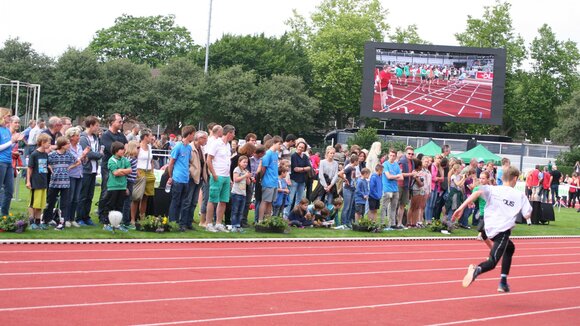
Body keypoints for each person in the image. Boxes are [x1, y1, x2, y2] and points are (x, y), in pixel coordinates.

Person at [454, 166, 532, 293]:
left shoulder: (492, 189)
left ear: (502, 178)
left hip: (488, 227)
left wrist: (461, 207)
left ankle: (503, 281)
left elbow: (477, 192)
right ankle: (477, 269)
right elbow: (527, 215)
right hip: (502, 231)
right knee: (492, 261)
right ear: (516, 179)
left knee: (510, 248)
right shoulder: (520, 195)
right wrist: (522, 213)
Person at [44, 137, 84, 230]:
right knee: (50, 201)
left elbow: (78, 161)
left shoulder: (69, 155)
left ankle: (62, 222)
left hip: (65, 182)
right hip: (54, 182)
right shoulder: (52, 155)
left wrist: (70, 167)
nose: (69, 145)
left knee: (64, 203)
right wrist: (50, 168)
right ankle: (46, 219)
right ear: (62, 145)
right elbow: (46, 162)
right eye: (67, 144)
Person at [97, 114, 127, 223]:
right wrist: (123, 151)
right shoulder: (106, 136)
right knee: (107, 191)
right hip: (108, 167)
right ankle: (102, 215)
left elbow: (126, 147)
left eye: (121, 121)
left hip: (120, 168)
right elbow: (113, 150)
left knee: (118, 192)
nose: (121, 123)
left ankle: (114, 216)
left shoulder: (121, 135)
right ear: (112, 122)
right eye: (119, 121)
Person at [205, 125, 236, 232]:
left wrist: (230, 178)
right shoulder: (216, 143)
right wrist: (213, 173)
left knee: (223, 201)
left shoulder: (227, 145)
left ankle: (218, 223)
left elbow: (227, 161)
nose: (234, 135)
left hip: (226, 176)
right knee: (212, 199)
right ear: (229, 133)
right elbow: (209, 159)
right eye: (233, 133)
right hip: (217, 175)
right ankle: (208, 223)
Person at [167, 125, 195, 232]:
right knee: (175, 201)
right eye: (193, 135)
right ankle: (173, 222)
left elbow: (187, 162)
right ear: (189, 135)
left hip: (185, 179)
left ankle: (181, 223)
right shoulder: (178, 146)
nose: (193, 137)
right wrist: (171, 176)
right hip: (178, 178)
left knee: (184, 202)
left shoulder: (188, 147)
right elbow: (171, 163)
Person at [77, 116, 103, 226]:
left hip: (93, 170)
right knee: (82, 195)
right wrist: (99, 155)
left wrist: (97, 154)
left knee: (90, 195)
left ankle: (86, 216)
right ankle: (79, 217)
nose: (98, 127)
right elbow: (88, 153)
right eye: (96, 125)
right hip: (85, 170)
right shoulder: (83, 138)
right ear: (91, 125)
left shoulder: (96, 138)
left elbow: (97, 151)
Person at [102, 141, 132, 231]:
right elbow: (115, 173)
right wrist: (123, 171)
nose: (123, 150)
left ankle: (117, 223)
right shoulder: (111, 160)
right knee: (110, 206)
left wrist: (120, 171)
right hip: (113, 186)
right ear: (115, 150)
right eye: (121, 149)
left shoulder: (125, 159)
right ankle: (106, 223)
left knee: (119, 206)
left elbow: (130, 170)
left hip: (122, 186)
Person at [65, 127, 89, 227]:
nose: (79, 137)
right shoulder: (68, 148)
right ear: (71, 137)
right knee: (69, 198)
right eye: (77, 136)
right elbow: (74, 160)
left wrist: (84, 158)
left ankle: (72, 218)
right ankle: (66, 218)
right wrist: (83, 155)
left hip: (79, 174)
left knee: (76, 198)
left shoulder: (79, 147)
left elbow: (81, 161)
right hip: (71, 174)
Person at [26, 133, 51, 230]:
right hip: (35, 182)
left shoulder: (45, 154)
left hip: (43, 182)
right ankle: (31, 221)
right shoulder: (34, 154)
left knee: (40, 204)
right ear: (42, 142)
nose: (49, 145)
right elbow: (30, 168)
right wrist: (28, 181)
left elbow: (45, 166)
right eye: (48, 143)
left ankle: (38, 221)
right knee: (33, 203)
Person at [0, 108, 22, 215]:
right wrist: (12, 141)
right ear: (3, 117)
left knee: (9, 190)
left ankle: (4, 215)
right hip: (1, 162)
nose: (10, 117)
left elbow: (8, 146)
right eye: (9, 116)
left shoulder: (6, 130)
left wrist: (15, 141)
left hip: (8, 162)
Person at [131, 129, 155, 224]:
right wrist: (136, 172)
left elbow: (151, 160)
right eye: (150, 136)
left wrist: (152, 171)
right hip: (140, 171)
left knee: (146, 197)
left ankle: (142, 218)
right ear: (145, 137)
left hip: (148, 172)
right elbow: (133, 159)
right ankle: (132, 219)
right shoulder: (138, 147)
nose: (152, 138)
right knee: (137, 197)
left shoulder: (149, 147)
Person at [285, 141, 311, 217]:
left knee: (299, 200)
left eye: (302, 147)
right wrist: (304, 168)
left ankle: (295, 215)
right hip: (294, 180)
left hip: (302, 180)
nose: (300, 148)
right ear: (297, 147)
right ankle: (286, 216)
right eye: (299, 147)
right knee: (290, 199)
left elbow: (309, 167)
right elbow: (295, 169)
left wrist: (301, 169)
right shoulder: (293, 156)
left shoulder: (305, 157)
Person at [381, 150, 403, 229]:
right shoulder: (385, 164)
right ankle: (382, 223)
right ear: (388, 155)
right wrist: (396, 176)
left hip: (395, 189)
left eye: (394, 156)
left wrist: (394, 176)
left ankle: (392, 223)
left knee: (393, 207)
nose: (392, 157)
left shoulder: (396, 165)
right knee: (384, 207)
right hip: (387, 188)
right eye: (391, 155)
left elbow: (402, 177)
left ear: (396, 156)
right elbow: (388, 177)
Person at [231, 155, 251, 232]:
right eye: (244, 162)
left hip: (243, 193)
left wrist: (248, 177)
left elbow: (248, 183)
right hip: (236, 193)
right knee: (235, 210)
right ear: (239, 162)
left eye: (247, 162)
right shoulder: (237, 169)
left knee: (240, 211)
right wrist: (244, 176)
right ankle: (233, 226)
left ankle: (238, 225)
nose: (245, 164)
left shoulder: (245, 171)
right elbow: (235, 179)